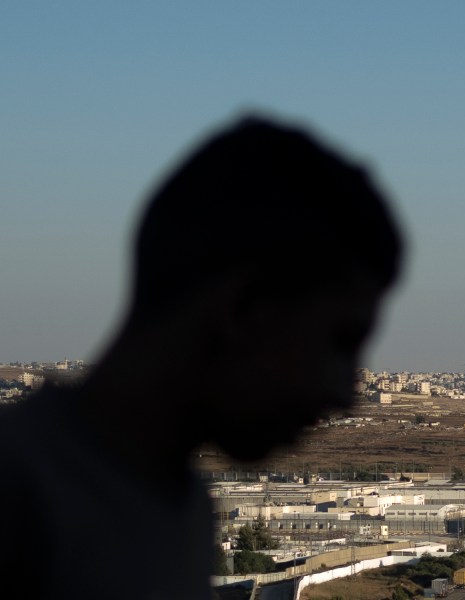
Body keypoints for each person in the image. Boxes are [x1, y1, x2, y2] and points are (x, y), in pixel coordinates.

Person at [0, 114, 404, 599]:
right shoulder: (20, 499)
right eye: (338, 342)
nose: (344, 394)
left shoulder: (181, 507)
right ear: (245, 310)